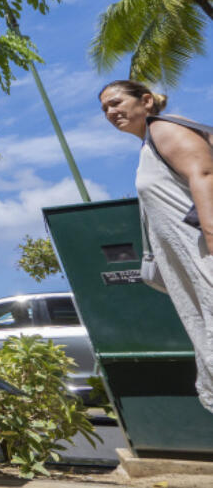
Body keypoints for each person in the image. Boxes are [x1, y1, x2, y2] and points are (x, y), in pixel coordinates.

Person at [99, 79, 213, 412]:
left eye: (117, 102)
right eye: (105, 108)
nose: (111, 111)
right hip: (193, 264)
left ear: (146, 101)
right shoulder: (149, 143)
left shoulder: (163, 129)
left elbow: (204, 175)